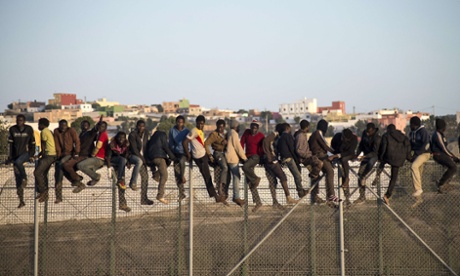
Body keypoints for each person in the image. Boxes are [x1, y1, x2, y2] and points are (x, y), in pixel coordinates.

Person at [183, 115, 226, 204]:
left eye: (202, 124)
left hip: (204, 155)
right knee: (207, 176)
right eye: (199, 124)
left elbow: (199, 144)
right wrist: (188, 154)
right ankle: (216, 196)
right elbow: (185, 142)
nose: (200, 126)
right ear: (196, 123)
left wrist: (209, 155)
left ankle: (218, 186)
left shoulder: (200, 132)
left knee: (217, 164)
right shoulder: (194, 131)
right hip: (200, 157)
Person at [263, 123, 298, 208]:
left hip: (269, 161)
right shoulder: (274, 135)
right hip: (271, 161)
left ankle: (275, 202)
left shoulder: (277, 137)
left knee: (272, 181)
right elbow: (265, 142)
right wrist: (270, 156)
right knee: (283, 177)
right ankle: (288, 198)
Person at [63, 118, 100, 193]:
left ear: (89, 126)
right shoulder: (80, 135)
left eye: (86, 125)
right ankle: (78, 182)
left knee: (66, 165)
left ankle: (78, 179)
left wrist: (99, 123)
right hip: (79, 156)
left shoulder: (90, 134)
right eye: (83, 125)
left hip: (84, 156)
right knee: (64, 170)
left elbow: (95, 130)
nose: (84, 126)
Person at [377, 124, 411, 205]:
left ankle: (377, 174)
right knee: (393, 178)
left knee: (383, 161)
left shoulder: (386, 135)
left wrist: (380, 157)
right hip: (399, 158)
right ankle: (387, 194)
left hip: (389, 156)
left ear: (388, 129)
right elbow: (408, 146)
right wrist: (408, 157)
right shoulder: (403, 136)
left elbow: (383, 148)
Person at [6, 114, 35, 208]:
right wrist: (9, 157)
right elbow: (10, 145)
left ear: (24, 121)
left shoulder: (29, 129)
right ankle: (21, 200)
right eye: (18, 120)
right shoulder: (12, 129)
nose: (19, 122)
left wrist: (31, 155)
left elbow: (32, 144)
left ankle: (25, 178)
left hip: (26, 154)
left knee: (19, 162)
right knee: (18, 181)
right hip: (15, 156)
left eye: (21, 120)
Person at [308, 119, 338, 206]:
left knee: (317, 176)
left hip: (320, 155)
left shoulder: (317, 134)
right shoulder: (317, 133)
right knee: (330, 171)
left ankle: (315, 195)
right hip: (319, 156)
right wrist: (335, 152)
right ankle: (330, 196)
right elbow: (325, 146)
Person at [294, 120, 324, 199]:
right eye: (308, 127)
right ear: (307, 127)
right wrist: (307, 155)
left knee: (316, 177)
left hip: (307, 157)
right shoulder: (300, 136)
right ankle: (312, 175)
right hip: (306, 158)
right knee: (320, 164)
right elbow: (299, 150)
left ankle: (315, 195)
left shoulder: (303, 135)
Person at [277, 123, 308, 198]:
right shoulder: (287, 136)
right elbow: (292, 148)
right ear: (287, 128)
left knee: (297, 174)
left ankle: (300, 190)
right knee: (297, 176)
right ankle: (300, 192)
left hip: (284, 158)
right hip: (289, 158)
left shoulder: (280, 138)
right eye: (290, 128)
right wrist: (297, 159)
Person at [146, 130, 177, 204]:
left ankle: (156, 175)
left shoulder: (152, 138)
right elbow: (166, 148)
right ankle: (160, 195)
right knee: (164, 176)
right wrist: (174, 158)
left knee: (166, 164)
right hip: (159, 158)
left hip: (151, 158)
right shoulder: (162, 135)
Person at [53, 119, 80, 204]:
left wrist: (76, 152)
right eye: (61, 125)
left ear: (67, 125)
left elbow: (77, 141)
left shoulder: (71, 130)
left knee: (61, 165)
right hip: (61, 155)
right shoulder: (57, 131)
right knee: (58, 175)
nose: (63, 127)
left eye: (64, 125)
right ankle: (58, 197)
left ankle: (77, 179)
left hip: (70, 153)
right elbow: (57, 144)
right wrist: (58, 155)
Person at [354, 123, 381, 204]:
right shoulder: (364, 134)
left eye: (369, 132)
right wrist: (357, 154)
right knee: (359, 174)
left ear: (373, 130)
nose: (367, 133)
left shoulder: (377, 138)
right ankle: (362, 196)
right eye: (367, 131)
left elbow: (375, 152)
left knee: (370, 163)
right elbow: (361, 145)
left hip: (374, 155)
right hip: (365, 156)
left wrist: (365, 156)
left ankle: (364, 175)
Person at [76, 121, 109, 189]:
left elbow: (98, 146)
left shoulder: (102, 134)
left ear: (105, 128)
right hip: (97, 157)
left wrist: (93, 154)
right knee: (87, 167)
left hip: (99, 158)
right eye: (99, 126)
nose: (100, 128)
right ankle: (93, 178)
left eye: (102, 127)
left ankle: (95, 177)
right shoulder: (99, 134)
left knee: (80, 165)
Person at [240, 120, 264, 212]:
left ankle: (256, 179)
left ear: (258, 128)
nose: (253, 130)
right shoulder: (246, 133)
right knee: (250, 182)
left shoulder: (261, 136)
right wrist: (241, 155)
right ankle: (258, 202)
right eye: (252, 128)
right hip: (247, 157)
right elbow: (241, 143)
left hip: (255, 157)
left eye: (255, 128)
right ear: (250, 127)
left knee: (245, 167)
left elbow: (263, 148)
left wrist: (262, 158)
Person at [431, 118, 459, 193]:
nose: (445, 128)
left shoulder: (441, 134)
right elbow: (443, 148)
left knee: (454, 167)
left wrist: (453, 156)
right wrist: (453, 157)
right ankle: (441, 184)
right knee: (453, 167)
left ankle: (445, 183)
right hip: (438, 155)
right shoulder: (437, 134)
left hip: (442, 154)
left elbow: (445, 149)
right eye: (444, 127)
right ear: (442, 127)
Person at [330, 128, 358, 204]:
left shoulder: (354, 139)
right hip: (339, 156)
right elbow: (333, 147)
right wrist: (335, 155)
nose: (343, 140)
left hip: (348, 155)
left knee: (344, 160)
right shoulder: (337, 137)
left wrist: (337, 155)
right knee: (341, 174)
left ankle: (347, 178)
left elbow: (350, 152)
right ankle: (346, 197)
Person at [106, 131, 131, 212]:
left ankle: (122, 204)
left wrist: (127, 162)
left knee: (122, 185)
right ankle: (120, 178)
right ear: (116, 138)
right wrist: (109, 168)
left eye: (123, 138)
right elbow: (108, 157)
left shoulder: (126, 145)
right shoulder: (112, 145)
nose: (121, 139)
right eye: (119, 137)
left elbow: (126, 155)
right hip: (113, 162)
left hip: (121, 165)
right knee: (121, 181)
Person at [204, 119, 229, 200]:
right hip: (217, 153)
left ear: (224, 127)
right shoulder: (214, 134)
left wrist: (226, 142)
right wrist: (209, 155)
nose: (220, 129)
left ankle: (225, 189)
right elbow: (206, 144)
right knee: (224, 167)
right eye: (218, 127)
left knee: (228, 170)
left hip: (225, 153)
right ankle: (220, 187)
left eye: (221, 127)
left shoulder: (226, 134)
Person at [34, 118, 57, 203]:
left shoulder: (43, 132)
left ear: (42, 125)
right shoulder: (48, 131)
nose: (38, 126)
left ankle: (43, 191)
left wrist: (41, 155)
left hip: (49, 155)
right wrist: (39, 155)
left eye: (39, 124)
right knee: (43, 173)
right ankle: (44, 192)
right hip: (52, 155)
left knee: (37, 172)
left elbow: (43, 146)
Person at [224, 120, 247, 207]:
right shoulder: (234, 133)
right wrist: (244, 158)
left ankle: (228, 194)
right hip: (232, 158)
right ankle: (236, 196)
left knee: (231, 177)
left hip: (229, 157)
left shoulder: (229, 132)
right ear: (236, 127)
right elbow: (238, 147)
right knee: (237, 176)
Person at [407, 116, 431, 198]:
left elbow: (426, 145)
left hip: (424, 153)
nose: (410, 126)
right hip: (417, 154)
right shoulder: (412, 133)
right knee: (418, 172)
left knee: (414, 166)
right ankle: (418, 197)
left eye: (410, 124)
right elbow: (410, 145)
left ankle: (418, 189)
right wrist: (409, 154)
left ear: (414, 125)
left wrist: (415, 154)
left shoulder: (423, 132)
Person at [169, 115, 190, 201]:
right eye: (178, 122)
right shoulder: (172, 131)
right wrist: (172, 153)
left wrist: (188, 153)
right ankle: (181, 193)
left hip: (184, 152)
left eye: (181, 122)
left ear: (183, 123)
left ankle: (182, 176)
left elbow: (189, 143)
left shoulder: (187, 131)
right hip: (175, 153)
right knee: (176, 173)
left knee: (182, 161)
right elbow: (170, 143)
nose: (179, 124)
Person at [128, 120, 149, 193]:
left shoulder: (146, 133)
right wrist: (143, 159)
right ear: (136, 126)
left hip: (143, 157)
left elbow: (146, 145)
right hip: (133, 156)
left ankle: (144, 198)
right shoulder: (132, 135)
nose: (141, 128)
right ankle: (133, 182)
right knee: (139, 161)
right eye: (139, 126)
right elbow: (134, 150)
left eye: (143, 126)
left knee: (145, 177)